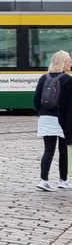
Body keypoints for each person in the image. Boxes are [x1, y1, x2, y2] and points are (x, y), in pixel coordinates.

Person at [34, 50, 72, 191]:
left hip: (45, 117)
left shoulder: (44, 77)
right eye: (69, 60)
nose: (71, 63)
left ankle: (43, 180)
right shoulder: (67, 79)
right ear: (63, 62)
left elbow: (36, 100)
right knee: (64, 149)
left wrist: (41, 113)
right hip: (62, 119)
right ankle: (64, 180)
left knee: (48, 149)